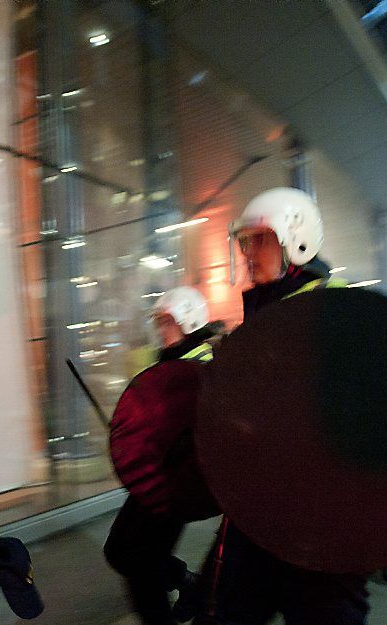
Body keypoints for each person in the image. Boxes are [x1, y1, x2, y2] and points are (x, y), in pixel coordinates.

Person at [193, 187, 370, 625]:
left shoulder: (331, 308)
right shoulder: (261, 315)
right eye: (245, 241)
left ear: (297, 240)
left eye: (261, 239)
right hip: (260, 510)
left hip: (322, 517)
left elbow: (354, 410)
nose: (249, 252)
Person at [104, 286, 215, 625]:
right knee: (120, 551)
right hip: (159, 477)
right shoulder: (169, 365)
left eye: (168, 322)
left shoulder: (203, 368)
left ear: (189, 322)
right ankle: (188, 584)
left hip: (180, 482)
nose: (161, 330)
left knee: (140, 561)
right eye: (160, 322)